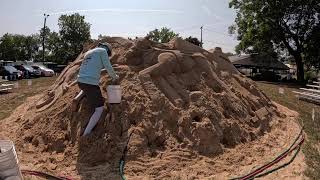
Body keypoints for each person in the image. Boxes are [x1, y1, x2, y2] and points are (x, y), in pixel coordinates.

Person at [72, 42, 119, 136]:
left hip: (81, 81)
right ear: (108, 50)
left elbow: (93, 68)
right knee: (100, 108)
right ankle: (87, 133)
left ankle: (79, 97)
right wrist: (114, 77)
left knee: (87, 90)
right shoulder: (103, 51)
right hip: (90, 84)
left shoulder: (89, 52)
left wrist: (105, 70)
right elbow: (108, 66)